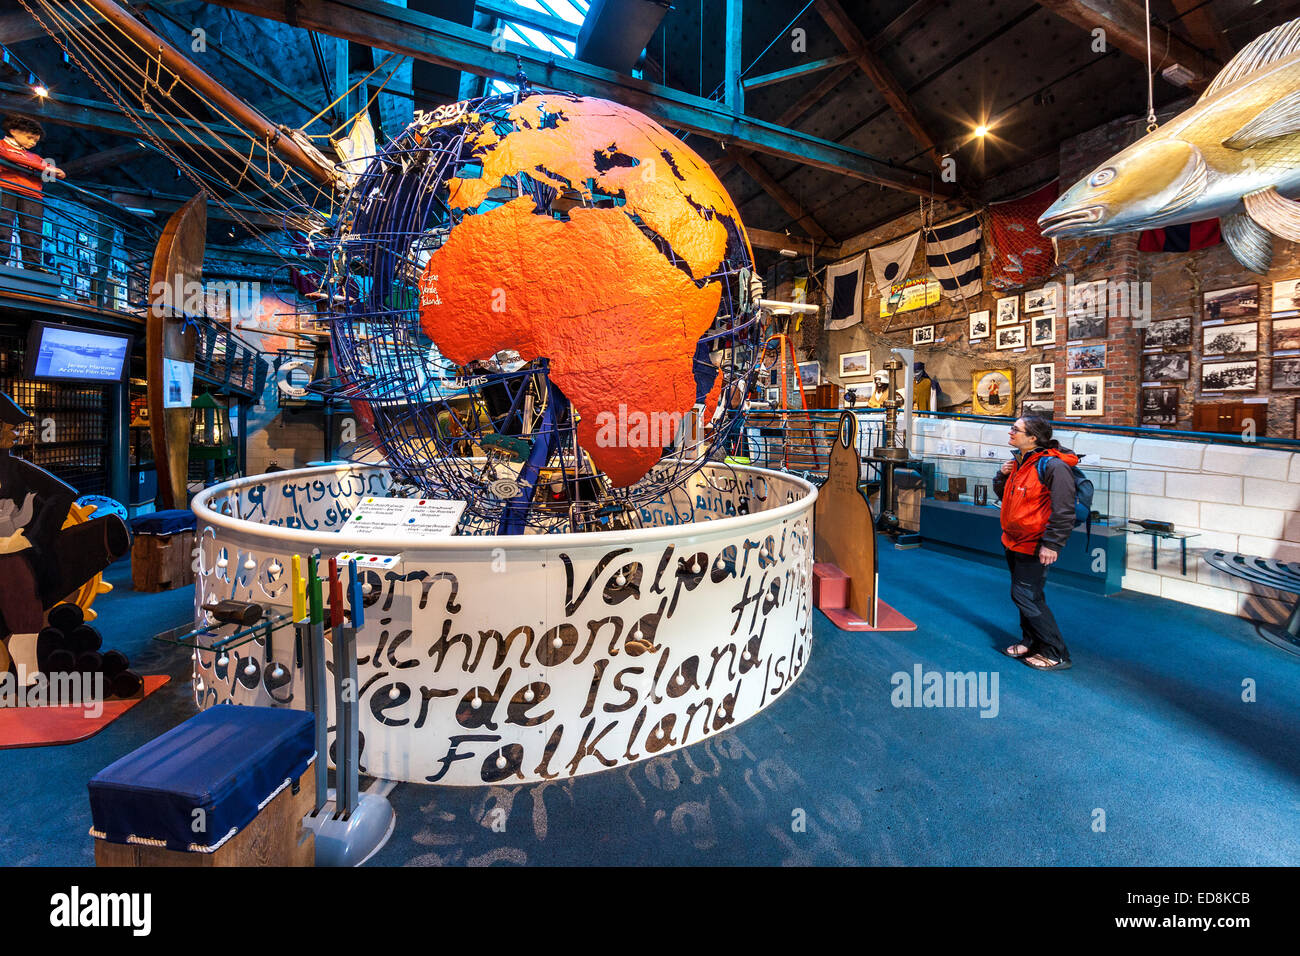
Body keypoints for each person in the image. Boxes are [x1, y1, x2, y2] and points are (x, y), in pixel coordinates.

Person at [992, 416, 1077, 671]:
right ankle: (1031, 641)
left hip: (1035, 543)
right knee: (1026, 596)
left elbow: (1064, 509)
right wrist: (1002, 474)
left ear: (1033, 438)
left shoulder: (1054, 466)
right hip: (1013, 541)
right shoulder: (1021, 462)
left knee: (1025, 595)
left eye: (1016, 429)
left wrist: (1052, 544)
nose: (1011, 432)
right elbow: (1005, 496)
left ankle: (1055, 652)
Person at [0, 115, 63, 270]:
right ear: (13, 131)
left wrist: (42, 166)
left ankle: (32, 264)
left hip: (32, 194)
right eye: (29, 138)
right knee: (3, 223)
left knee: (33, 229)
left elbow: (59, 173)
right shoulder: (2, 146)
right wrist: (41, 166)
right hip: (6, 187)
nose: (32, 143)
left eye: (35, 140)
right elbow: (8, 156)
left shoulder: (34, 156)